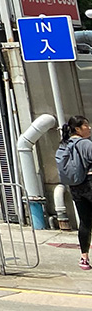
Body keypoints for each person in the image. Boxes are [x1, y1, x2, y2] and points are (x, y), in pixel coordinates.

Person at [56, 115, 92, 270]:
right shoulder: (84, 143)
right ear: (78, 129)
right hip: (89, 183)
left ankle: (84, 258)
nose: (89, 128)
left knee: (85, 222)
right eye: (86, 125)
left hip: (75, 187)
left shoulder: (64, 144)